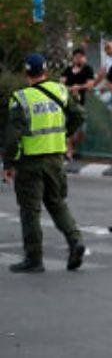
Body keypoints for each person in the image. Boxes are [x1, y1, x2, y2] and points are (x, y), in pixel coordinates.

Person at [3, 54, 86, 273]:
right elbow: (79, 115)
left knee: (30, 211)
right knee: (57, 202)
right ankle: (75, 240)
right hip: (55, 159)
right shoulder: (60, 90)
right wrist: (64, 134)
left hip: (30, 163)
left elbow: (12, 137)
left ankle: (34, 259)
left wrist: (8, 165)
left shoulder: (20, 98)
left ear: (26, 73)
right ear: (46, 72)